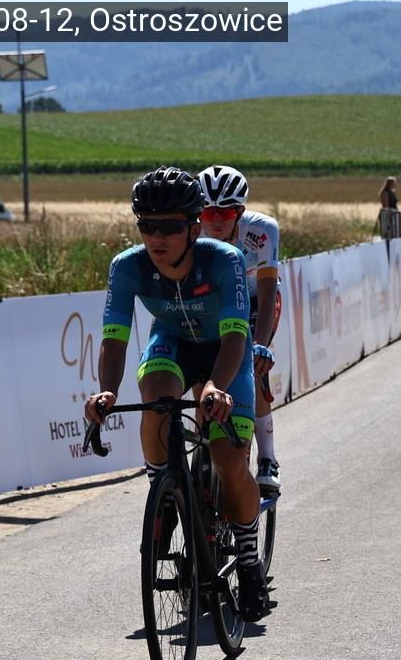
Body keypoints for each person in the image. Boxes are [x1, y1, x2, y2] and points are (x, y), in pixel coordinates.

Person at [84, 166, 271, 621]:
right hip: (172, 343)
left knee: (229, 460)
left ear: (193, 228)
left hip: (225, 350)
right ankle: (164, 492)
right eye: (146, 225)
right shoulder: (127, 267)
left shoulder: (223, 259)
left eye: (168, 227)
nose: (156, 237)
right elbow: (114, 338)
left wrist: (216, 386)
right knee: (156, 398)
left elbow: (235, 336)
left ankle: (249, 562)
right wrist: (106, 391)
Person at [197, 165, 283, 496]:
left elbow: (268, 289)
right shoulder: (192, 233)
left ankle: (267, 459)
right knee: (203, 371)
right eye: (209, 212)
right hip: (217, 305)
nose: (216, 220)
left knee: (252, 368)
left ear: (241, 212)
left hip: (255, 301)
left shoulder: (262, 231)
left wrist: (260, 344)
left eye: (227, 212)